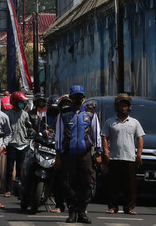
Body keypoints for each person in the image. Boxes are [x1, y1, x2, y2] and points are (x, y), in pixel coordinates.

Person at [55, 85, 100, 224]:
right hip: (69, 154)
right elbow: (59, 135)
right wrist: (58, 155)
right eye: (75, 97)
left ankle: (82, 211)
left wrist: (98, 153)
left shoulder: (90, 114)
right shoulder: (64, 114)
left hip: (85, 154)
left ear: (84, 98)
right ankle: (72, 212)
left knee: (87, 182)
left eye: (80, 97)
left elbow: (96, 133)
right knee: (68, 183)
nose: (77, 99)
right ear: (71, 97)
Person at [101, 94, 144, 215]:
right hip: (114, 157)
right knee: (113, 185)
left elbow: (140, 138)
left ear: (129, 108)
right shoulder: (110, 122)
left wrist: (139, 154)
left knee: (130, 186)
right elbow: (104, 137)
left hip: (130, 158)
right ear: (117, 107)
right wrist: (106, 152)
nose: (123, 108)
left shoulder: (134, 122)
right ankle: (113, 207)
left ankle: (129, 207)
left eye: (125, 106)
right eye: (121, 105)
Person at [4, 91, 33, 197]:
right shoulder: (8, 115)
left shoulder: (25, 114)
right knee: (9, 168)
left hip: (23, 144)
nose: (23, 104)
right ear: (15, 102)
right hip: (11, 144)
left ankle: (20, 189)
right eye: (21, 102)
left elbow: (28, 127)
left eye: (23, 102)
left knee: (21, 168)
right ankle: (8, 189)